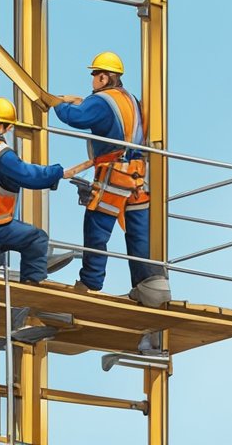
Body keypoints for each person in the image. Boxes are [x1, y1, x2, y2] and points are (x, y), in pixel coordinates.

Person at [55, 52, 162, 299]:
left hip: (114, 174)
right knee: (138, 230)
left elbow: (76, 117)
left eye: (94, 75)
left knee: (97, 226)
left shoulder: (102, 100)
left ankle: (90, 281)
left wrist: (58, 103)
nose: (92, 80)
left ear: (104, 77)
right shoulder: (132, 101)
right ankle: (150, 285)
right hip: (138, 175)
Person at [0, 97, 90, 284]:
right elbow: (29, 175)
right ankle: (33, 284)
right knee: (37, 239)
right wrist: (59, 172)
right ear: (7, 127)